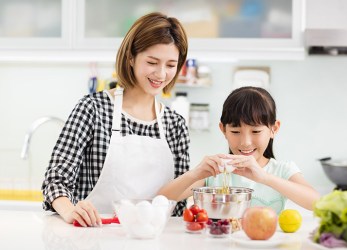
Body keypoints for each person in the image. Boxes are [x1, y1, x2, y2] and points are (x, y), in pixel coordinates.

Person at [42, 12, 189, 227]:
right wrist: (71, 211)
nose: (161, 74)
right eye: (152, 62)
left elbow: (178, 206)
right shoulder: (93, 109)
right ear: (131, 57)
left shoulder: (175, 125)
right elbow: (55, 179)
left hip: (154, 240)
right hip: (93, 236)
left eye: (170, 65)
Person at [158, 86, 320, 214]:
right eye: (235, 132)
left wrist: (264, 178)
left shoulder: (282, 170)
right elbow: (161, 199)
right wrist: (195, 173)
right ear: (223, 129)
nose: (245, 142)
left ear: (274, 129)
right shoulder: (217, 171)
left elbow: (317, 203)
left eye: (256, 131)